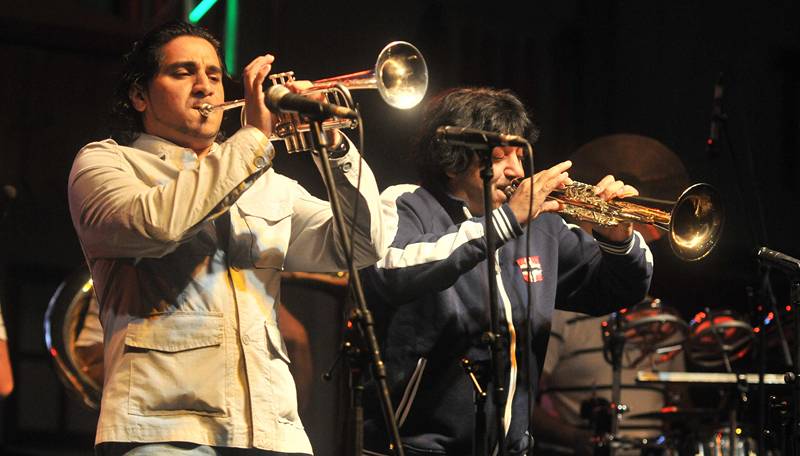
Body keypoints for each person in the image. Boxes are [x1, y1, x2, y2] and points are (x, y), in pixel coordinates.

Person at [67, 21, 384, 455]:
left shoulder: (261, 180)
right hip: (163, 427)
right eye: (183, 72)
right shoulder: (107, 163)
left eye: (214, 75)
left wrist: (333, 145)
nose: (205, 87)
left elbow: (361, 246)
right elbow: (156, 225)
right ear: (140, 95)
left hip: (273, 431)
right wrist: (253, 137)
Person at [359, 87, 653, 455]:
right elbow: (389, 270)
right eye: (499, 156)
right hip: (410, 448)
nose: (517, 170)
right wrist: (505, 222)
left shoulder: (542, 227)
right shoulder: (406, 203)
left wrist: (618, 239)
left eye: (520, 153)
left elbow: (620, 290)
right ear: (452, 161)